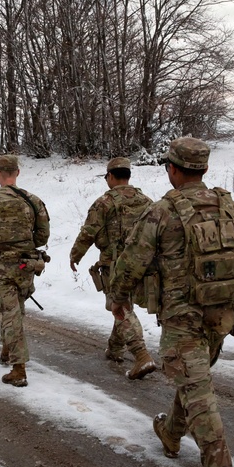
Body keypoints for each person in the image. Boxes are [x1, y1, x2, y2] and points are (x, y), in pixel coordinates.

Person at [109, 137, 234, 467]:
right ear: (203, 169)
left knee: (198, 391)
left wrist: (117, 297)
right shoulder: (228, 205)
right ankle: (171, 433)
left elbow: (131, 261)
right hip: (222, 313)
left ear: (173, 169)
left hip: (184, 316)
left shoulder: (163, 211)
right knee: (194, 380)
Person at [69, 158, 158, 380]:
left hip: (115, 265)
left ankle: (141, 355)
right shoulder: (146, 201)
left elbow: (88, 232)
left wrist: (75, 255)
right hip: (143, 264)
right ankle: (115, 348)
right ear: (128, 175)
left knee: (119, 307)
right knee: (124, 305)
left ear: (110, 176)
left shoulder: (104, 202)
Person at [0, 154, 50, 388]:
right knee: (14, 309)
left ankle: (19, 368)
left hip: (0, 266)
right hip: (26, 265)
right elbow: (42, 236)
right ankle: (7, 350)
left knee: (10, 312)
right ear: (17, 173)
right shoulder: (32, 201)